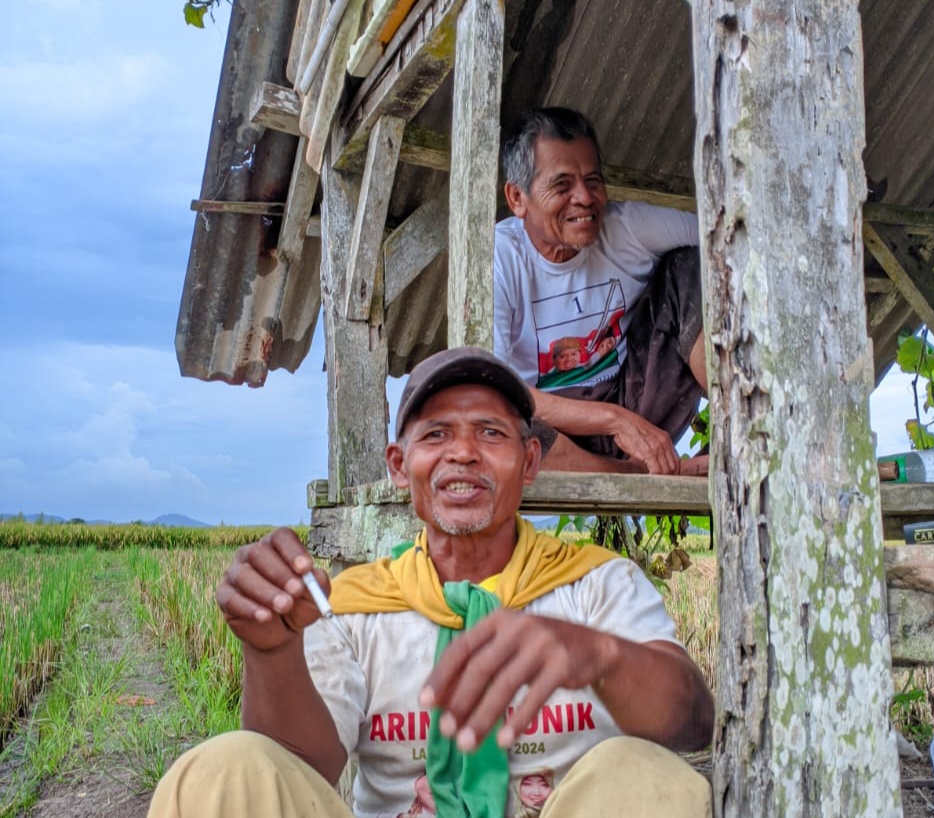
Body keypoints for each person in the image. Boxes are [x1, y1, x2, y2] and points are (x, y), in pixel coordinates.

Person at [147, 346, 714, 818]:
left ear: (531, 461)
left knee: (648, 777)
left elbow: (690, 724)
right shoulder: (352, 606)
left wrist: (599, 656)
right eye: (437, 434)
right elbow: (303, 763)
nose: (463, 453)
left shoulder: (596, 586)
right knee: (223, 771)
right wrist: (272, 652)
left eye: (491, 433)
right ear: (400, 465)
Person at [494, 107, 709, 477]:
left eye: (593, 181)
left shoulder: (626, 227)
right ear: (517, 198)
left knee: (696, 266)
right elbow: (491, 388)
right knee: (498, 413)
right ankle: (636, 476)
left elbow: (728, 241)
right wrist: (615, 420)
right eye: (562, 185)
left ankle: (744, 432)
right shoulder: (501, 257)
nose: (585, 197)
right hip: (557, 440)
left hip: (640, 404)